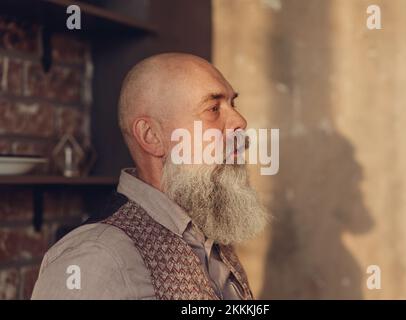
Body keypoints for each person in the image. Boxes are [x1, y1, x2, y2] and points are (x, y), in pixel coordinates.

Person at [31, 53, 269, 300]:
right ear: (152, 137)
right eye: (213, 108)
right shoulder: (96, 258)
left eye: (233, 104)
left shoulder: (212, 236)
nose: (240, 121)